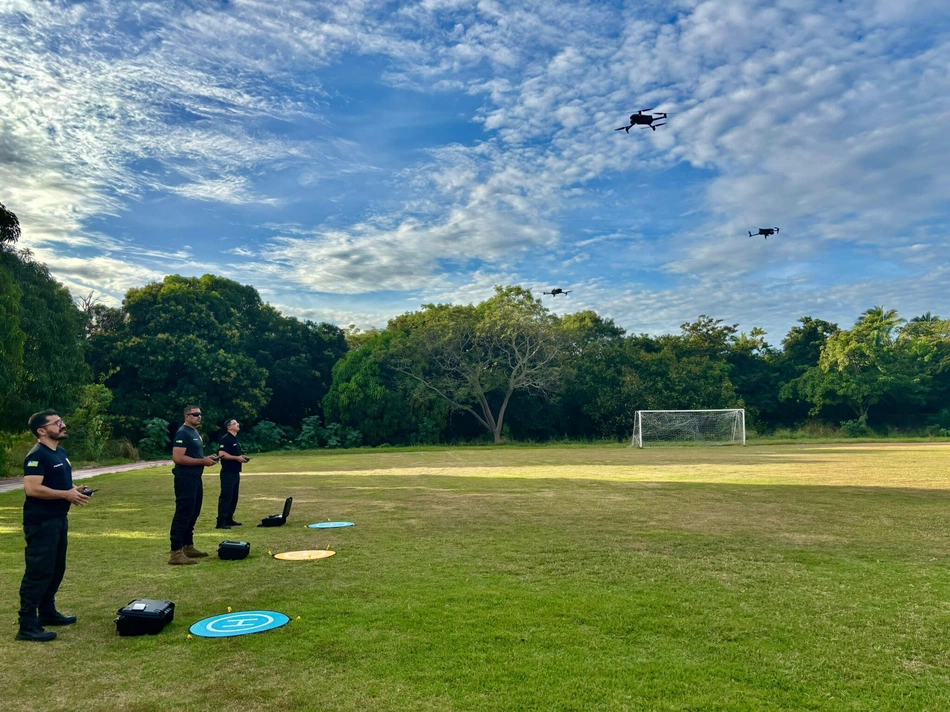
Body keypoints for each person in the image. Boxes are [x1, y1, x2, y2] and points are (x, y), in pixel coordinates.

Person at [17, 410, 91, 642]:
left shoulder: (59, 453)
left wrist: (73, 490)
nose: (63, 425)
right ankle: (27, 625)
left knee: (56, 568)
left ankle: (47, 612)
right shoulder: (37, 455)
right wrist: (65, 494)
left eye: (61, 421)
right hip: (41, 522)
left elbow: (60, 484)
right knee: (39, 571)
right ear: (42, 430)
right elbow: (33, 489)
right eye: (57, 423)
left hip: (58, 519)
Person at [169, 405, 218, 565]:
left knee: (194, 511)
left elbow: (192, 455)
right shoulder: (183, 432)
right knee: (183, 513)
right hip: (185, 478)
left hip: (196, 477)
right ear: (186, 416)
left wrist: (205, 457)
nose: (199, 416)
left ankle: (188, 546)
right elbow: (178, 458)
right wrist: (202, 461)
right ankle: (176, 553)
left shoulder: (194, 432)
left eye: (200, 414)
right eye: (195, 414)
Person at [216, 418, 249, 529]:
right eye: (235, 423)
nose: (237, 424)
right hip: (227, 472)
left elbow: (235, 455)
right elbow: (221, 454)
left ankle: (229, 519)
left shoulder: (235, 439)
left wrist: (241, 458)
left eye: (237, 423)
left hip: (235, 472)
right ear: (229, 427)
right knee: (226, 497)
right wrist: (236, 458)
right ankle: (221, 522)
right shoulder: (226, 439)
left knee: (234, 497)